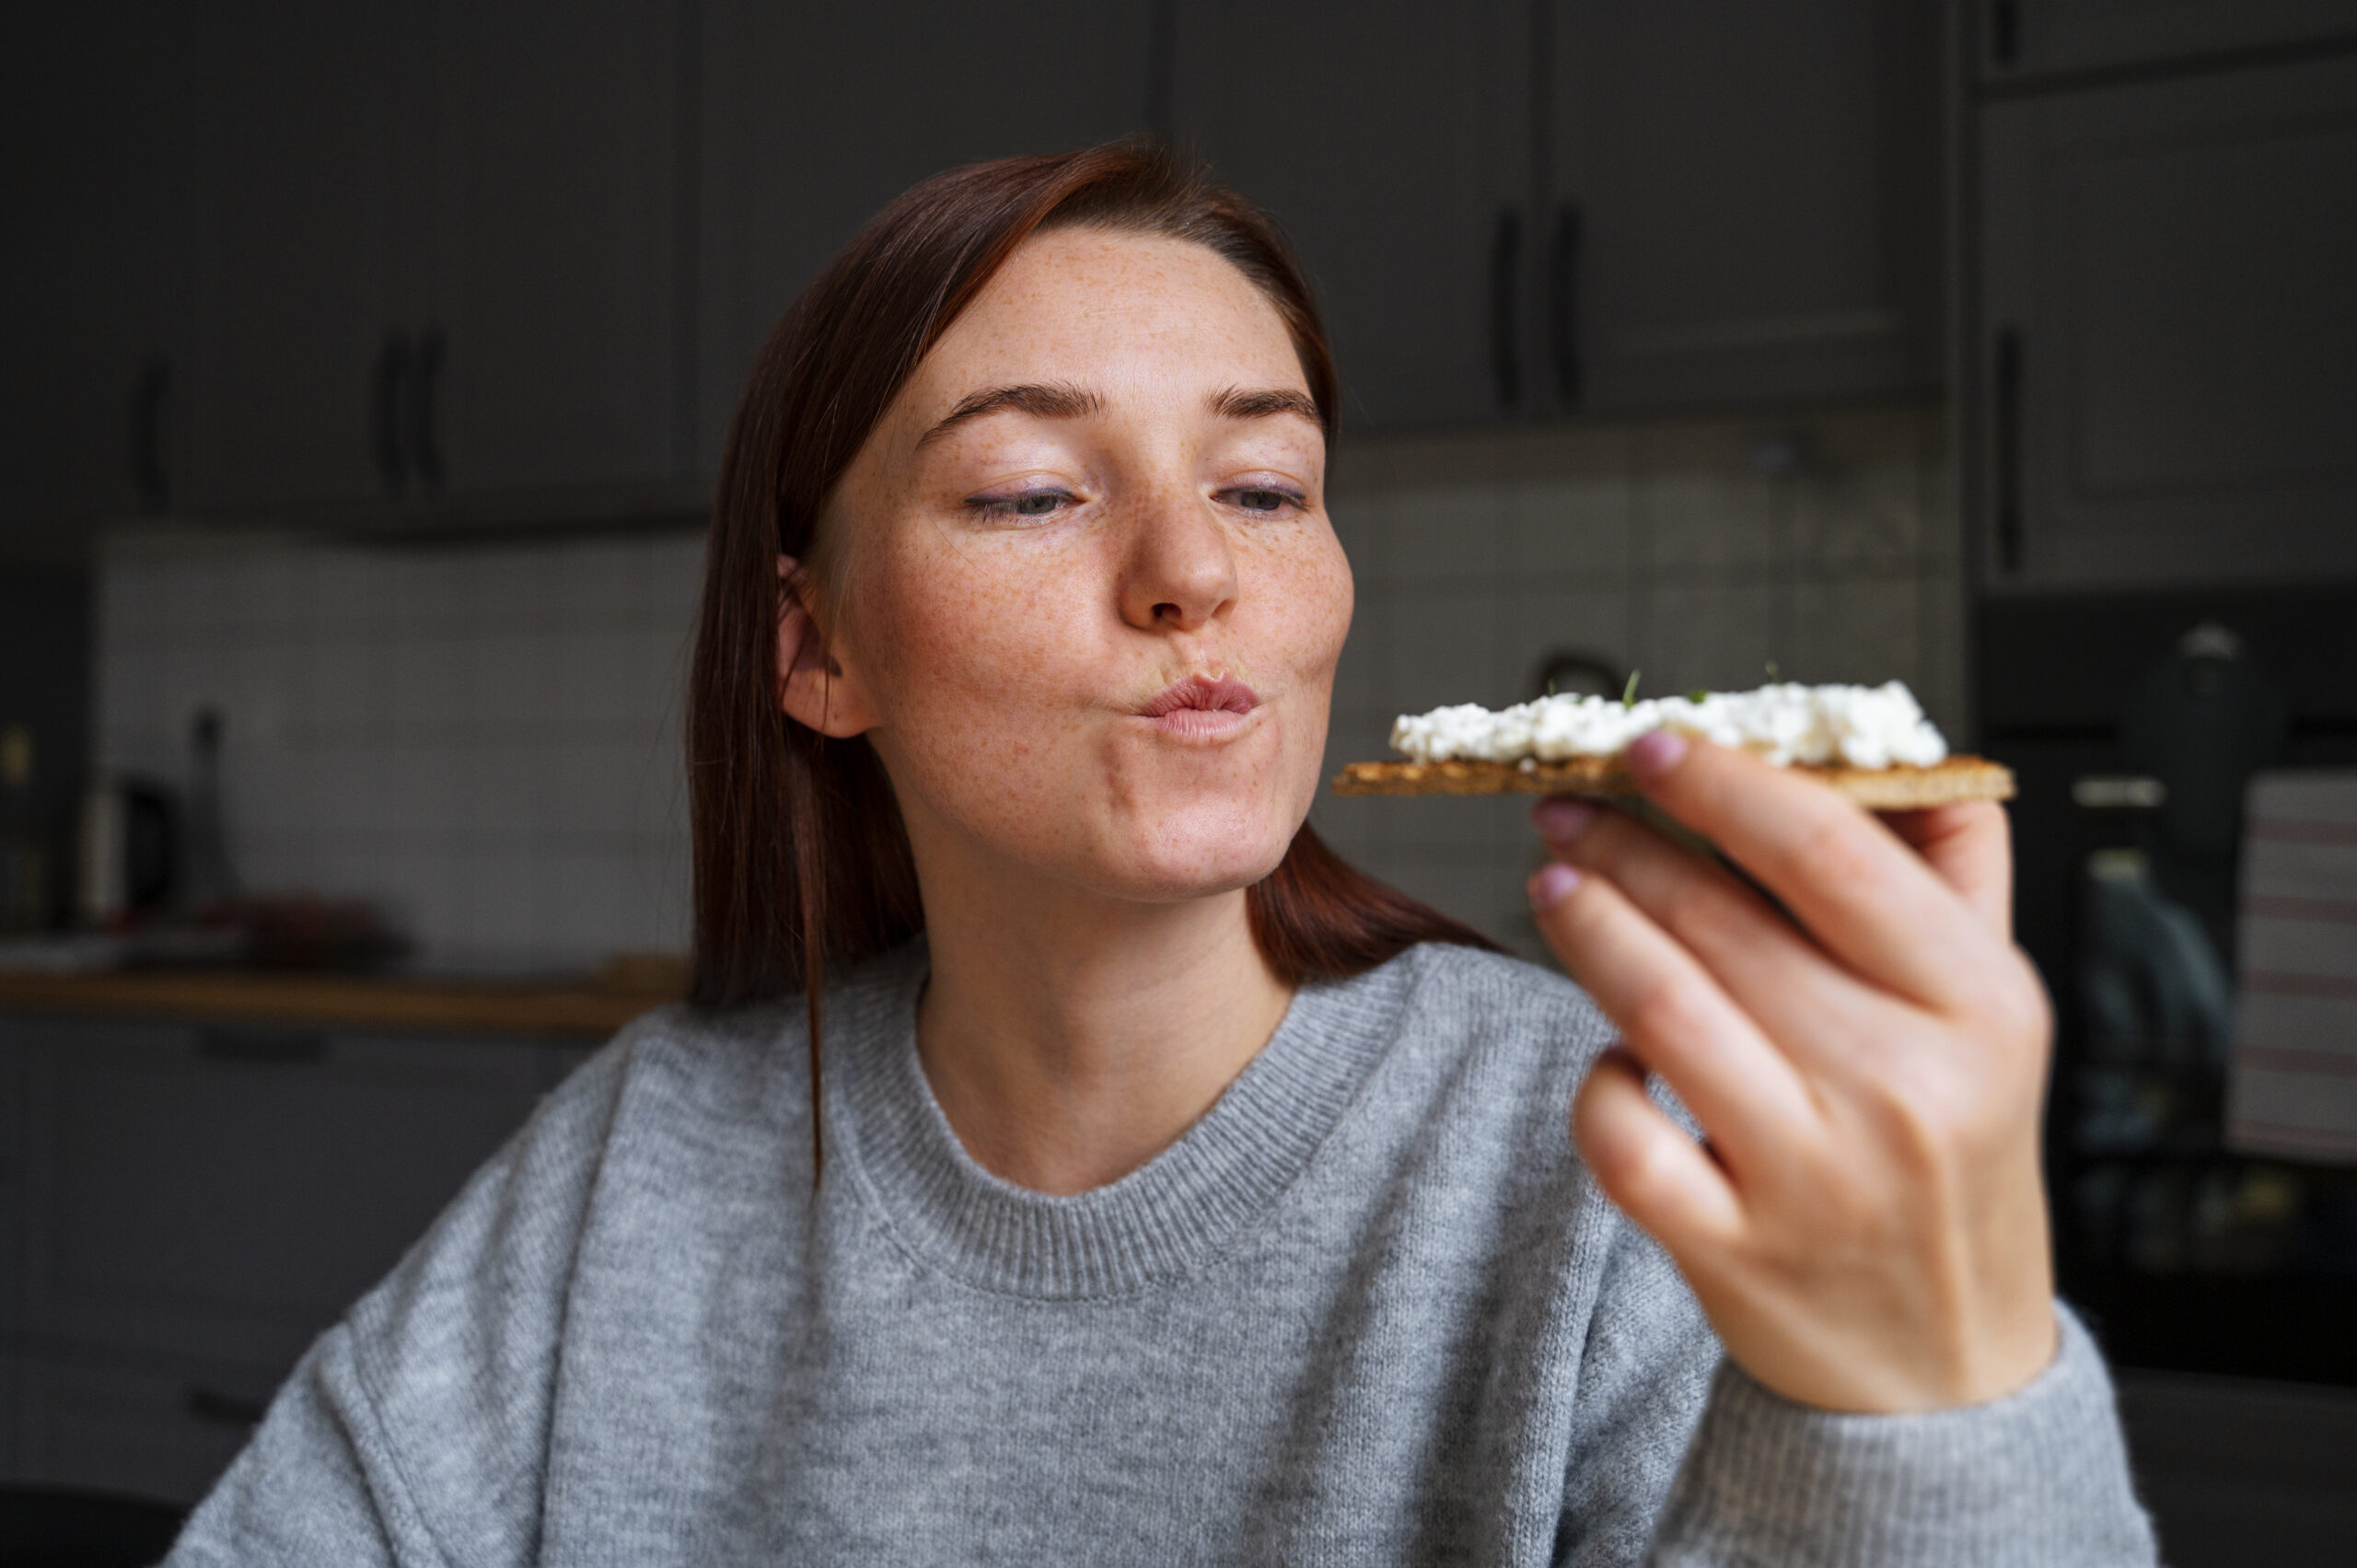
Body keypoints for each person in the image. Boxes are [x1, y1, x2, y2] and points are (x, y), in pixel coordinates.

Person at [166, 143, 2154, 1566]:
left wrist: (1939, 1410)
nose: (1194, 570)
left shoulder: (1610, 1157)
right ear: (815, 646)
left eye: (1266, 485)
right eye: (1032, 490)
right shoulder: (651, 1158)